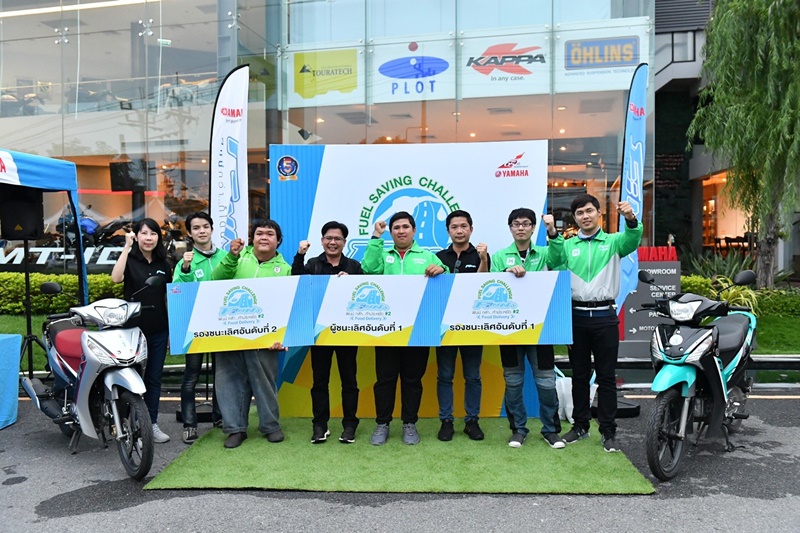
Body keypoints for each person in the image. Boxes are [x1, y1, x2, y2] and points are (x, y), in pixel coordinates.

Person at [561, 194, 642, 453]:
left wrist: (630, 218)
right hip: (576, 317)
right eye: (579, 213)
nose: (585, 216)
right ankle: (580, 426)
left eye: (589, 211)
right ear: (575, 218)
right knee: (579, 376)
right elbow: (552, 263)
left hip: (605, 316)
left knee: (606, 377)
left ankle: (608, 431)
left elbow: (633, 238)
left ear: (599, 213)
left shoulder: (614, 242)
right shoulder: (567, 246)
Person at [361, 211, 448, 445]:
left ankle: (410, 423)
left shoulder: (427, 255)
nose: (401, 231)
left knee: (412, 380)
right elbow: (368, 270)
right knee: (385, 380)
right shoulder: (383, 253)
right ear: (391, 232)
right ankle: (382, 423)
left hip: (418, 329)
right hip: (386, 329)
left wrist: (442, 270)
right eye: (396, 228)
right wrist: (376, 237)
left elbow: (447, 280)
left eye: (405, 227)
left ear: (414, 230)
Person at [490, 208, 565, 449]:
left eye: (526, 224)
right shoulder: (500, 256)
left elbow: (559, 259)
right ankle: (518, 430)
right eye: (516, 224)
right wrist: (506, 273)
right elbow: (490, 283)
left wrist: (552, 231)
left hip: (541, 329)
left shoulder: (544, 253)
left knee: (546, 382)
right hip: (510, 330)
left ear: (533, 228)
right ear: (510, 228)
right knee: (513, 382)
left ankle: (550, 430)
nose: (521, 227)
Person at [211, 219, 290, 449]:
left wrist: (283, 337)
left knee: (264, 381)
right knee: (228, 381)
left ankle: (271, 426)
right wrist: (231, 256)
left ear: (278, 241)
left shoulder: (285, 269)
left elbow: (286, 304)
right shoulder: (236, 258)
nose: (264, 237)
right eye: (259, 233)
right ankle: (235, 429)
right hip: (229, 333)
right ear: (252, 239)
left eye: (270, 234)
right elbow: (215, 281)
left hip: (265, 337)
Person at [292, 221, 363, 444]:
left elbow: (362, 295)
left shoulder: (354, 266)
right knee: (319, 381)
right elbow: (297, 283)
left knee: (349, 381)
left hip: (346, 333)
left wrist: (350, 283)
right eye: (329, 238)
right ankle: (320, 425)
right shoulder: (313, 264)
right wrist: (300, 255)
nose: (333, 242)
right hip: (319, 332)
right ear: (322, 241)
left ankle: (350, 425)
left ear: (344, 242)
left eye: (338, 239)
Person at [110, 217, 173, 444]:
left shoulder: (163, 264)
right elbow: (116, 278)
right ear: (136, 236)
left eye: (153, 233)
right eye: (144, 233)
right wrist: (126, 247)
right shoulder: (129, 259)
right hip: (132, 332)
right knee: (131, 379)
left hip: (158, 330)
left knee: (153, 379)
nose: (149, 238)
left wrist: (171, 331)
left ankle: (151, 424)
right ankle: (128, 426)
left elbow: (168, 297)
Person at [434, 210, 489, 442]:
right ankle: (446, 421)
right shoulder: (438, 256)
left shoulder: (480, 255)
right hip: (445, 326)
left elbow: (483, 285)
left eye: (463, 226)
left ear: (471, 229)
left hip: (472, 326)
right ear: (448, 230)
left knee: (473, 376)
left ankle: (471, 421)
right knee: (445, 376)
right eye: (454, 227)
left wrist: (483, 259)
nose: (459, 230)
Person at [172, 211, 225, 444]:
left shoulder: (226, 257)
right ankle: (189, 424)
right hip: (195, 327)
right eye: (196, 228)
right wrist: (185, 268)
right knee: (191, 376)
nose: (201, 231)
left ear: (212, 229)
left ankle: (220, 418)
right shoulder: (185, 261)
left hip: (223, 326)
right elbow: (177, 292)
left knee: (222, 375)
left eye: (205, 226)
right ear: (190, 233)